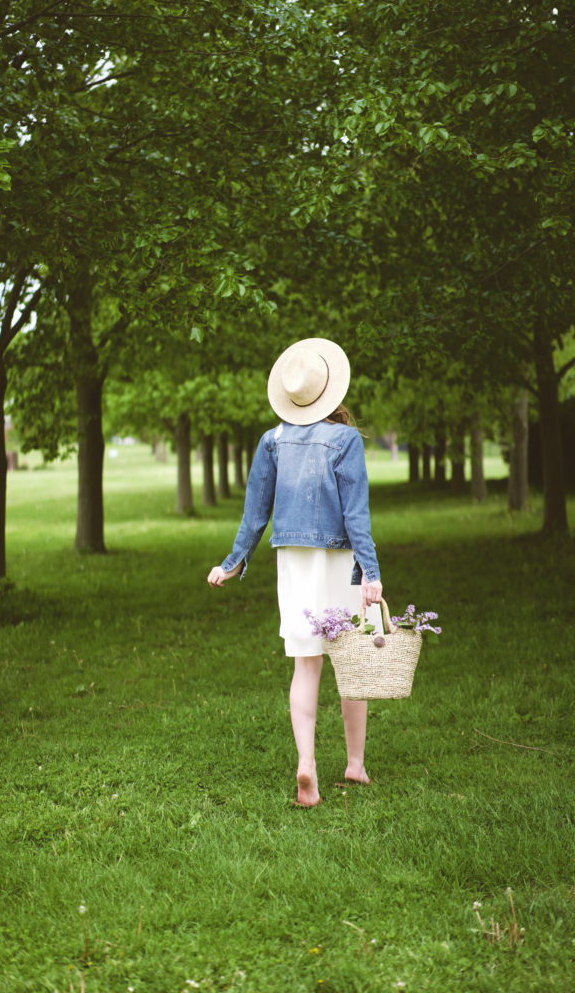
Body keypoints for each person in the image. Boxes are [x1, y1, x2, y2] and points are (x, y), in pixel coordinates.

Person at [207, 338, 383, 807]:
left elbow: (254, 513)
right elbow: (356, 516)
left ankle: (307, 765)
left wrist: (233, 561)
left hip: (294, 563)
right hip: (339, 560)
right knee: (352, 665)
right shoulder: (345, 440)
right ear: (331, 390)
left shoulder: (273, 441)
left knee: (307, 665)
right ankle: (354, 764)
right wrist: (371, 573)